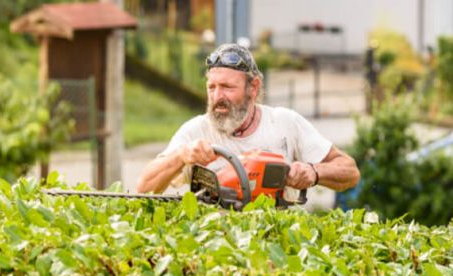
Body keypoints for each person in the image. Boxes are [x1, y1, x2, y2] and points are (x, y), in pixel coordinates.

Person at [137, 43, 360, 197]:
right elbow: (143, 189)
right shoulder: (196, 131)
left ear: (253, 88)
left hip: (278, 245)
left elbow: (350, 172)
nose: (217, 97)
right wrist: (181, 155)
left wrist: (313, 172)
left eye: (227, 87)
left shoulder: (284, 123)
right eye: (212, 87)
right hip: (214, 251)